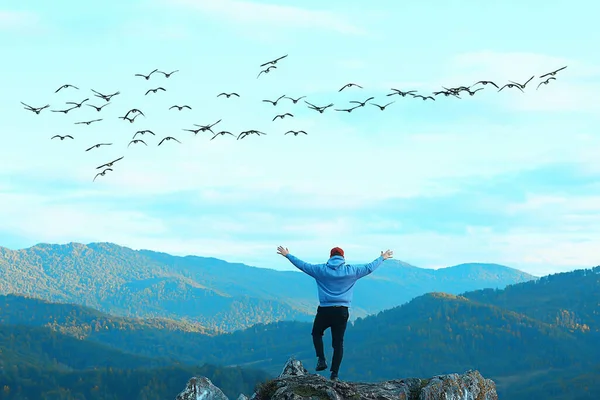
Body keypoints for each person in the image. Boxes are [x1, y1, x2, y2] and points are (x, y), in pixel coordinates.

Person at [276, 245, 394, 381]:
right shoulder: (352, 271)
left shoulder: (321, 270)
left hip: (325, 310)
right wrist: (382, 258)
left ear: (330, 257)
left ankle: (321, 359)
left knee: (316, 333)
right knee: (338, 343)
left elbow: (303, 265)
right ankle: (334, 374)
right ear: (343, 257)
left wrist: (287, 255)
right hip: (342, 311)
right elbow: (369, 267)